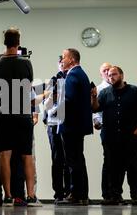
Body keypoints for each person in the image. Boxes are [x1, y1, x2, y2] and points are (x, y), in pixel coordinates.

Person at [0, 27, 41, 207]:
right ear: (18, 43)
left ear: (5, 42)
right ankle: (29, 195)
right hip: (22, 114)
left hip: (2, 115)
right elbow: (29, 85)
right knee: (26, 155)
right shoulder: (25, 63)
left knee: (4, 154)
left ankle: (8, 194)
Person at [91, 66, 137, 205]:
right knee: (113, 167)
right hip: (110, 137)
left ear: (122, 75)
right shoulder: (104, 92)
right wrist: (93, 96)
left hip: (130, 136)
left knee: (132, 166)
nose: (111, 77)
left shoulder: (135, 91)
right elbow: (95, 108)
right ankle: (116, 196)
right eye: (109, 75)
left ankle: (135, 195)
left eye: (114, 74)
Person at [57, 48, 93, 205]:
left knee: (72, 161)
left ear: (71, 59)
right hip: (79, 125)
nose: (61, 60)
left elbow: (68, 100)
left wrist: (55, 111)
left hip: (71, 125)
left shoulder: (72, 75)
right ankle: (82, 194)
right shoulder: (82, 74)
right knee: (79, 159)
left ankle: (75, 193)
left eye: (63, 57)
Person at [43, 56, 70, 203]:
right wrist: (53, 96)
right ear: (58, 65)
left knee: (70, 159)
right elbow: (45, 106)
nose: (63, 65)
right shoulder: (52, 81)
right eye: (60, 63)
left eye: (65, 62)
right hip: (54, 124)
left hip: (69, 124)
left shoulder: (73, 80)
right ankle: (58, 193)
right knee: (57, 159)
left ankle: (70, 192)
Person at [92, 62, 113, 204]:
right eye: (104, 70)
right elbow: (95, 111)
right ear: (101, 74)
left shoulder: (119, 88)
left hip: (120, 130)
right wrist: (96, 122)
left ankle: (116, 193)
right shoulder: (99, 90)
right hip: (106, 129)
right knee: (108, 161)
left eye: (109, 70)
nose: (107, 72)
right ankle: (107, 193)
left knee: (120, 163)